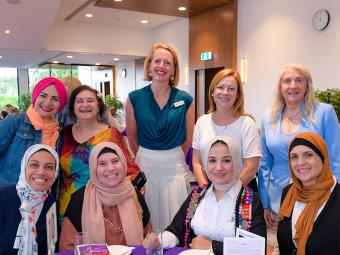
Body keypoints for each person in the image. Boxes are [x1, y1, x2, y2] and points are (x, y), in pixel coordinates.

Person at [257, 63, 340, 253]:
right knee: (282, 246)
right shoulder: (268, 117)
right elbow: (265, 164)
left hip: (318, 196)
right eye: (287, 81)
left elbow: (336, 159)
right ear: (280, 87)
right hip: (279, 199)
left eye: (299, 80)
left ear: (307, 86)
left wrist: (335, 201)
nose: (293, 85)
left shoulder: (324, 113)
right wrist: (265, 203)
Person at [147, 136, 266, 255]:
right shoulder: (198, 195)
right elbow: (177, 230)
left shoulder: (250, 201)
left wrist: (212, 246)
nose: (218, 168)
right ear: (204, 163)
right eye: (212, 160)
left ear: (237, 162)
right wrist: (160, 241)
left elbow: (257, 248)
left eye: (226, 160)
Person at [126, 42, 195, 230]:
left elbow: (188, 138)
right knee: (148, 222)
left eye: (167, 63)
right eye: (157, 61)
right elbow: (132, 138)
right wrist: (150, 156)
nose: (161, 66)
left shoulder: (185, 99)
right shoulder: (134, 98)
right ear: (149, 65)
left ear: (174, 69)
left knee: (175, 223)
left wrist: (170, 156)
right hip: (146, 164)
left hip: (174, 168)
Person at [59, 85, 140, 218]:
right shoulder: (64, 133)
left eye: (90, 100)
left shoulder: (111, 134)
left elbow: (130, 169)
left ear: (98, 106)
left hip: (103, 204)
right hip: (67, 205)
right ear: (73, 107)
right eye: (79, 101)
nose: (85, 105)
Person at [59, 142, 152, 250]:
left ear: (123, 163)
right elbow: (67, 247)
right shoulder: (80, 199)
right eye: (102, 164)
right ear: (94, 168)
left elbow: (149, 236)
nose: (111, 168)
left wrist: (152, 241)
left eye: (115, 161)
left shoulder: (134, 194)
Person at [192, 68, 261, 191]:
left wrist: (227, 192)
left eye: (231, 88)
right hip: (208, 189)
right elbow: (197, 161)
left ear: (237, 95)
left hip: (241, 190)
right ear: (212, 91)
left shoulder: (247, 124)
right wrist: (206, 190)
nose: (225, 92)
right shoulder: (202, 122)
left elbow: (251, 167)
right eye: (221, 87)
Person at [278, 132, 340, 255]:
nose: (300, 162)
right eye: (294, 157)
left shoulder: (337, 198)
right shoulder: (288, 193)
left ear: (323, 157)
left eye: (308, 155)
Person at [0, 77, 67, 186]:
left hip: (43, 198)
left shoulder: (58, 133)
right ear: (35, 97)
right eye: (43, 96)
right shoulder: (15, 121)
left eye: (55, 99)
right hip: (9, 195)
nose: (48, 102)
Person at [0, 144, 60, 254]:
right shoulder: (3, 196)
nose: (41, 172)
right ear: (24, 167)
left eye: (49, 167)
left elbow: (50, 248)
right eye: (34, 165)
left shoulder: (51, 203)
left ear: (55, 172)